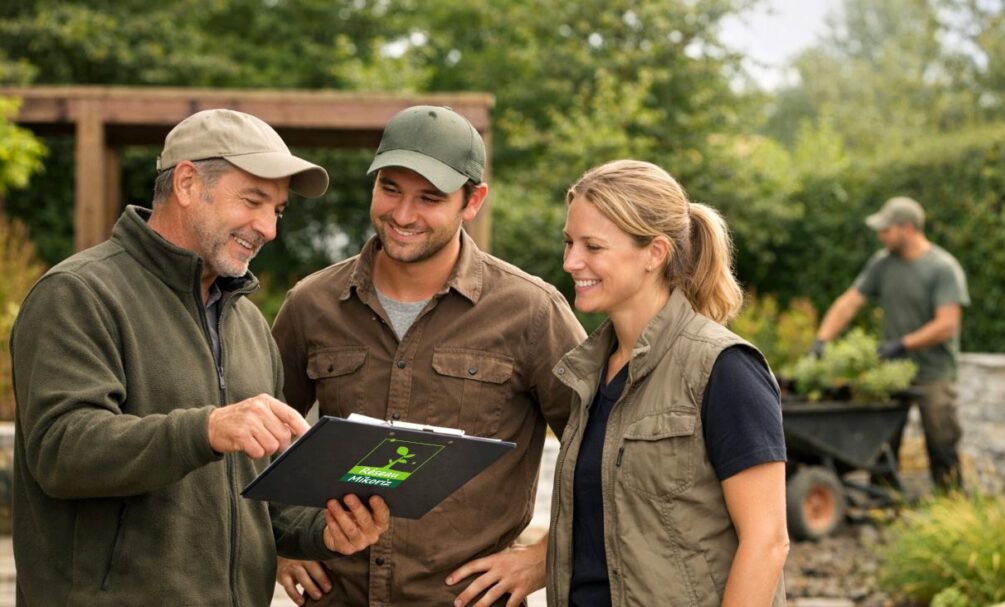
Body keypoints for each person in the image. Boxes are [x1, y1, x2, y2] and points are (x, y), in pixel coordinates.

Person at [10, 109, 390, 606]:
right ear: (187, 183)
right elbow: (60, 452)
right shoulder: (78, 293)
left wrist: (325, 533)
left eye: (276, 210)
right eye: (253, 200)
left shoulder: (249, 324)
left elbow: (262, 501)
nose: (268, 228)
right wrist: (206, 429)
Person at [271, 105, 586, 606]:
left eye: (430, 198)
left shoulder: (531, 312)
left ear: (473, 200)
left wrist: (543, 559)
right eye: (390, 189)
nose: (402, 215)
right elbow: (253, 442)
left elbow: (606, 454)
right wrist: (282, 543)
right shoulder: (311, 304)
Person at [548, 159, 788, 606]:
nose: (570, 261)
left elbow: (768, 542)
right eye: (569, 242)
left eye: (593, 247)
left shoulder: (725, 369)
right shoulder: (590, 371)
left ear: (655, 253)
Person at [812, 195, 970, 489]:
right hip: (893, 373)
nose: (880, 235)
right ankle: (883, 506)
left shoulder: (943, 268)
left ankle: (951, 506)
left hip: (933, 374)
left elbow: (947, 324)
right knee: (883, 441)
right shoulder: (882, 264)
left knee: (942, 441)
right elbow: (849, 302)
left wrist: (903, 344)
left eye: (886, 230)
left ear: (907, 229)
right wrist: (821, 341)